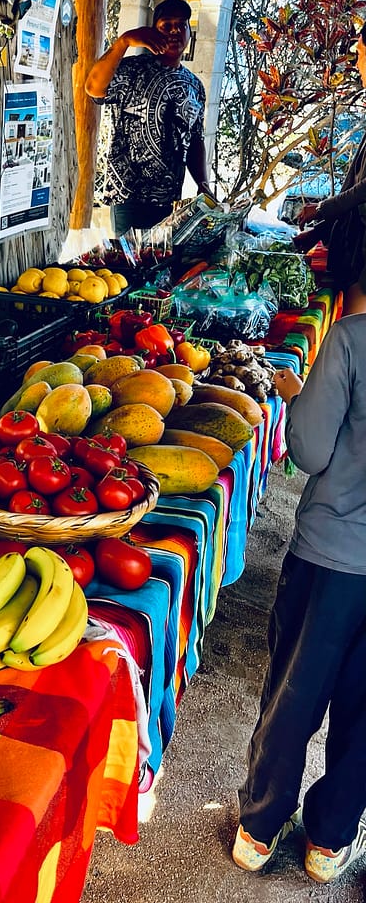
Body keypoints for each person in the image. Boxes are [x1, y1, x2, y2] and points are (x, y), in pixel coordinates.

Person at [232, 312, 366, 884]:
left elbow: (306, 450)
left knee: (294, 690)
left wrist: (298, 394)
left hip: (330, 554)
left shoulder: (352, 338)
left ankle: (259, 830)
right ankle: (329, 844)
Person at [85, 0, 215, 236]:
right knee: (126, 268)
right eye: (166, 25)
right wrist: (123, 42)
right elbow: (93, 88)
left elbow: (195, 138)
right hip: (127, 195)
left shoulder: (194, 86)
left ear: (189, 33)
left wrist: (202, 183)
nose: (175, 31)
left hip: (169, 199)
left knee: (159, 266)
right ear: (151, 33)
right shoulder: (132, 69)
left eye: (181, 25)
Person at [293, 23, 366, 316]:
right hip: (353, 247)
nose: (358, 63)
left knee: (354, 338)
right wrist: (319, 231)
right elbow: (354, 184)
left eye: (360, 52)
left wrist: (321, 209)